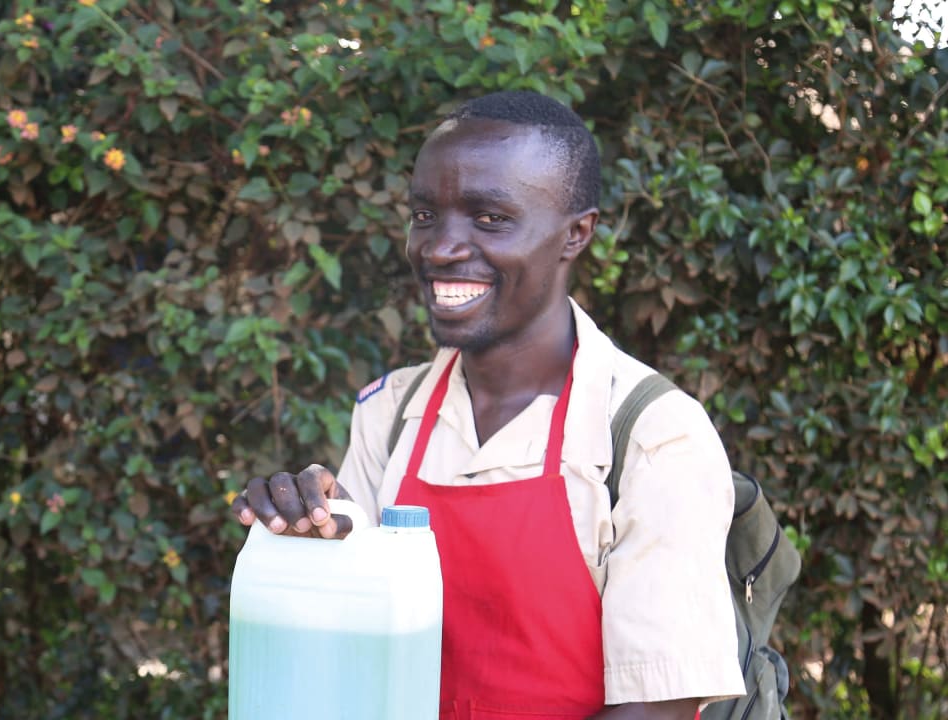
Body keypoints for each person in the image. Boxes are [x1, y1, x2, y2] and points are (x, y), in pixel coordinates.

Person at [230, 90, 745, 719]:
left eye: (490, 218)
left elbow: (659, 710)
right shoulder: (390, 415)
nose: (441, 248)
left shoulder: (650, 434)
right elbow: (342, 655)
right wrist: (298, 537)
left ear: (576, 234)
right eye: (425, 215)